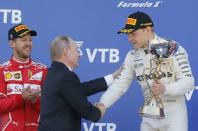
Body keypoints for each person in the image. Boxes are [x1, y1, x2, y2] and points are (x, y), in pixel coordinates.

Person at [99, 11, 195, 131]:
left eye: (133, 34)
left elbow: (188, 82)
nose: (129, 39)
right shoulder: (131, 56)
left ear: (147, 30)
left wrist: (165, 89)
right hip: (149, 117)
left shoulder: (173, 48)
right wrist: (103, 104)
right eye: (127, 34)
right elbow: (120, 84)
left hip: (174, 117)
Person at [38, 36, 121, 131]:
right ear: (66, 51)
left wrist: (112, 76)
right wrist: (99, 111)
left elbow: (78, 90)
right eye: (77, 50)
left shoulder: (51, 73)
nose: (80, 54)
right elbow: (87, 111)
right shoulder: (66, 77)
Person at [0, 24, 48, 131]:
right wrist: (21, 98)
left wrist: (36, 101)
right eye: (23, 40)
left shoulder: (42, 70)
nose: (28, 44)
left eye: (30, 40)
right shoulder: (2, 70)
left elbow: (51, 108)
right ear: (12, 43)